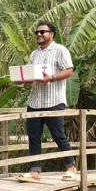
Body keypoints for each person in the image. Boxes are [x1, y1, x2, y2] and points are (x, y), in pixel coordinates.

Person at [17, 21, 77, 182]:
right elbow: (31, 78)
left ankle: (71, 167)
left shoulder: (60, 50)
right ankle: (35, 171)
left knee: (58, 135)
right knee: (34, 136)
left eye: (43, 32)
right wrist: (21, 80)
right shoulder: (34, 54)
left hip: (54, 101)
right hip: (35, 101)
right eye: (37, 32)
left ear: (52, 34)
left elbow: (69, 71)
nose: (39, 34)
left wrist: (52, 78)